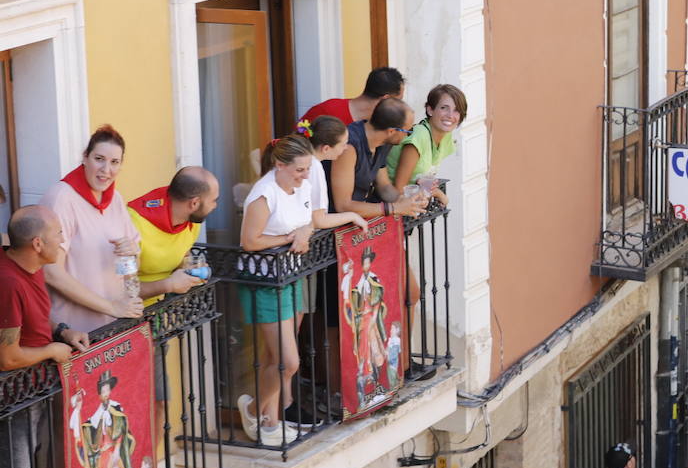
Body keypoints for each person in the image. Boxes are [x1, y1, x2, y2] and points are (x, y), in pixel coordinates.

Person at [236, 134, 366, 444]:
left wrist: (304, 232)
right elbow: (250, 242)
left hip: (291, 275)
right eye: (299, 170)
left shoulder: (303, 186)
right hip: (265, 282)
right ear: (279, 165)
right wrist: (289, 239)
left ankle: (270, 422)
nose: (306, 175)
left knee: (275, 357)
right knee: (288, 362)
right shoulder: (264, 195)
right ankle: (254, 410)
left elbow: (309, 222)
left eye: (308, 168)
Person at [0, 207, 91, 468]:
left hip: (30, 394)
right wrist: (52, 350)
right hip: (12, 400)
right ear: (37, 244)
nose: (62, 240)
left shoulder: (29, 267)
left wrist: (61, 331)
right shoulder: (8, 281)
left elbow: (33, 321)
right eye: (57, 233)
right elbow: (7, 357)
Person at [40, 125, 144, 331]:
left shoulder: (115, 198)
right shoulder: (61, 198)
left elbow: (134, 265)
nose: (106, 170)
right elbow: (50, 272)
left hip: (114, 326)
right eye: (99, 159)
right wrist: (111, 307)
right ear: (85, 157)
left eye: (114, 162)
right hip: (77, 332)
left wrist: (132, 254)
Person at [125, 166, 219, 301]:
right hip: (133, 314)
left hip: (166, 311)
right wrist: (169, 285)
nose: (215, 206)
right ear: (194, 203)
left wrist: (189, 268)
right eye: (214, 200)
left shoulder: (192, 220)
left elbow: (181, 255)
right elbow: (122, 289)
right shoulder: (133, 225)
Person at [387, 83, 466, 206]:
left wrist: (426, 187)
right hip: (388, 205)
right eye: (444, 107)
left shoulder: (446, 136)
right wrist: (438, 194)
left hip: (407, 208)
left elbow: (423, 174)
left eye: (456, 110)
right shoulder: (420, 136)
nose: (450, 115)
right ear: (430, 110)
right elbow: (398, 189)